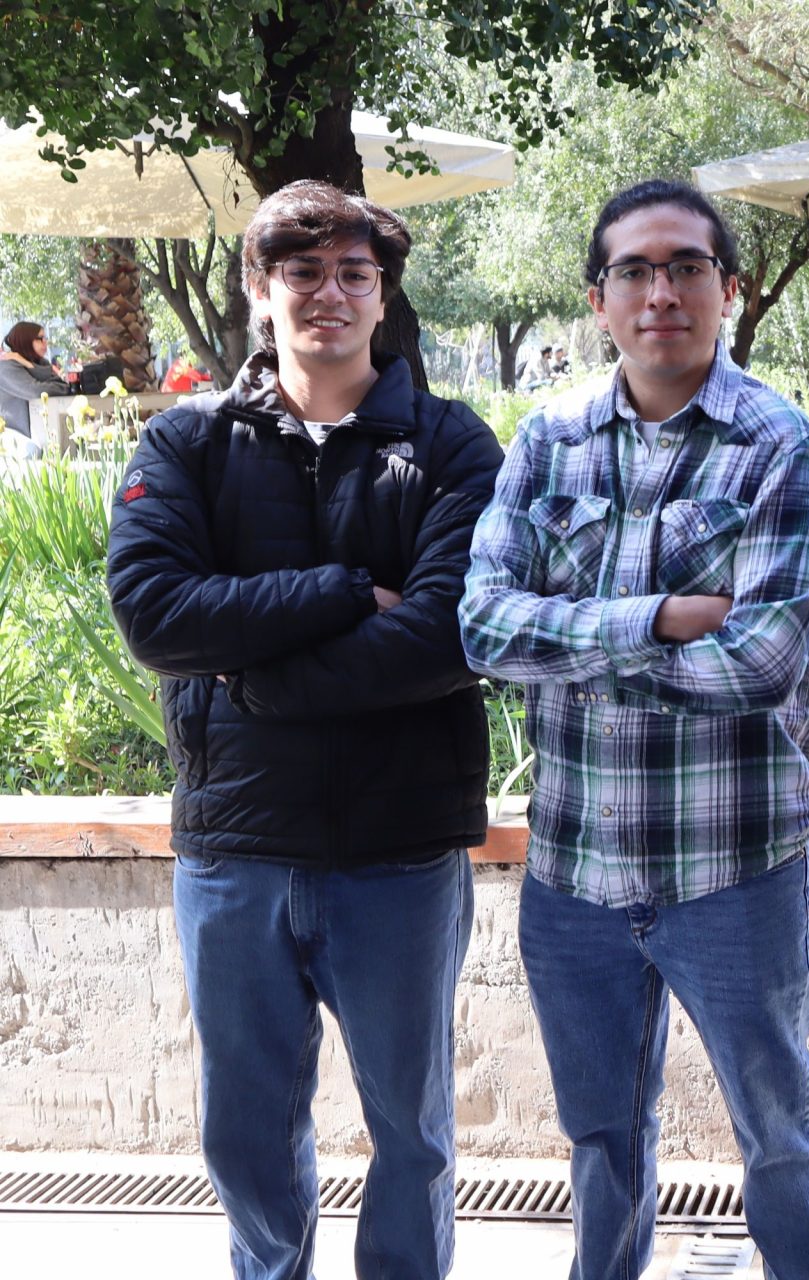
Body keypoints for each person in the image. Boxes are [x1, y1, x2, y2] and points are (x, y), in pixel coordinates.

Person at [106, 180, 505, 1280]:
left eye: (353, 274)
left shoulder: (451, 445)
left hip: (401, 852)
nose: (329, 293)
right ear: (260, 288)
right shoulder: (186, 442)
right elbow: (155, 615)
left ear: (381, 297)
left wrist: (253, 675)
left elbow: (448, 631)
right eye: (303, 271)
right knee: (243, 1132)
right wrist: (343, 590)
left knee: (413, 1132)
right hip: (237, 850)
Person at [458, 179, 809, 1280]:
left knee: (779, 1134)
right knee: (600, 1137)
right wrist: (664, 619)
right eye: (633, 270)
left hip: (736, 864)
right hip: (574, 868)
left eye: (686, 267)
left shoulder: (776, 440)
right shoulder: (548, 440)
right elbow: (482, 626)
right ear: (598, 298)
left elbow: (763, 661)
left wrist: (571, 641)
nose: (660, 291)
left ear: (730, 288)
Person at [0, 321, 74, 451]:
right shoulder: (6, 366)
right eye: (40, 338)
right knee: (33, 451)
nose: (45, 342)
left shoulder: (40, 363)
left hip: (44, 431)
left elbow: (64, 386)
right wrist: (55, 386)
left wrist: (28, 364)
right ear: (25, 340)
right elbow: (36, 391)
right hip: (15, 435)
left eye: (45, 338)